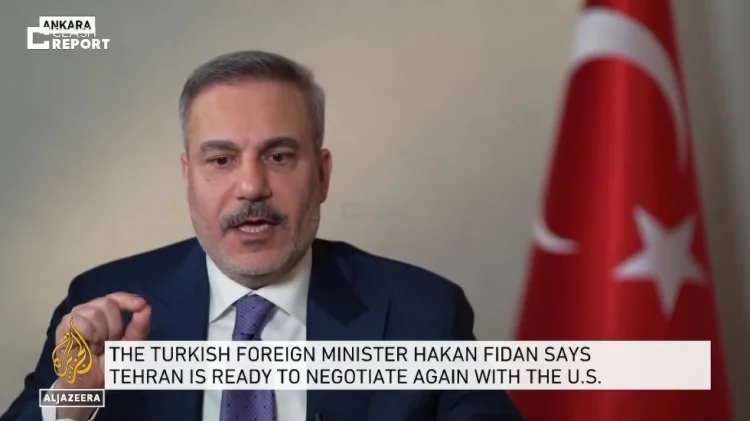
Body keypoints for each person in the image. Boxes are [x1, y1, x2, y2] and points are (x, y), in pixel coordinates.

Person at [0, 50, 524, 421]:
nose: (252, 186)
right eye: (221, 160)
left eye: (278, 156)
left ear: (323, 175)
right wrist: (72, 401)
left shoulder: (424, 313)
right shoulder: (101, 304)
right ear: (188, 177)